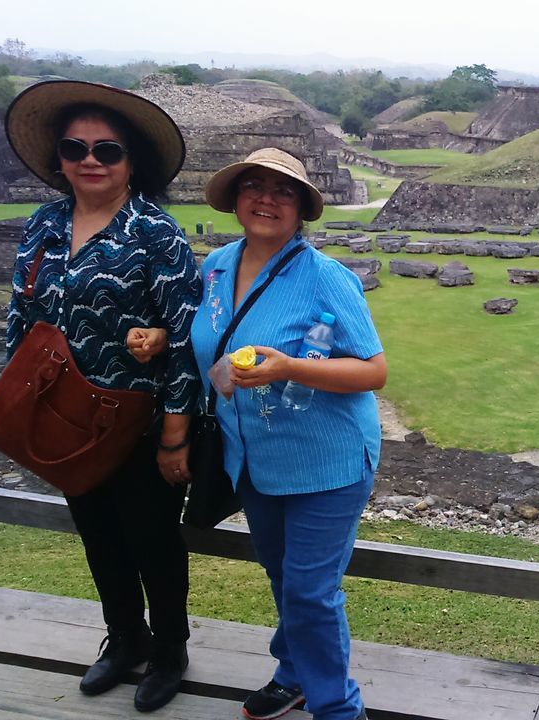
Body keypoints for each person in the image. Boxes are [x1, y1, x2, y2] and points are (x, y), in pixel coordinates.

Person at [3, 80, 201, 712]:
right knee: (98, 534)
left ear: (130, 162)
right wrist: (19, 401)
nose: (90, 159)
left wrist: (176, 434)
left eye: (107, 149)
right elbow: (20, 317)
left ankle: (169, 648)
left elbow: (189, 337)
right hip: (63, 417)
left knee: (153, 540)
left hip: (135, 422)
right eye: (75, 146)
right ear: (58, 159)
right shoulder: (44, 224)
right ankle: (125, 638)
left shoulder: (155, 232)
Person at [191, 148, 386, 720]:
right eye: (254, 186)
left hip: (328, 460)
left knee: (310, 592)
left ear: (302, 207)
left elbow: (373, 371)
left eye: (284, 191)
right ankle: (295, 673)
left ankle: (336, 708)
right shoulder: (217, 267)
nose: (267, 200)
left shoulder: (328, 278)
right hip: (253, 458)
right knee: (283, 578)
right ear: (235, 199)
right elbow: (206, 344)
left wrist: (290, 367)